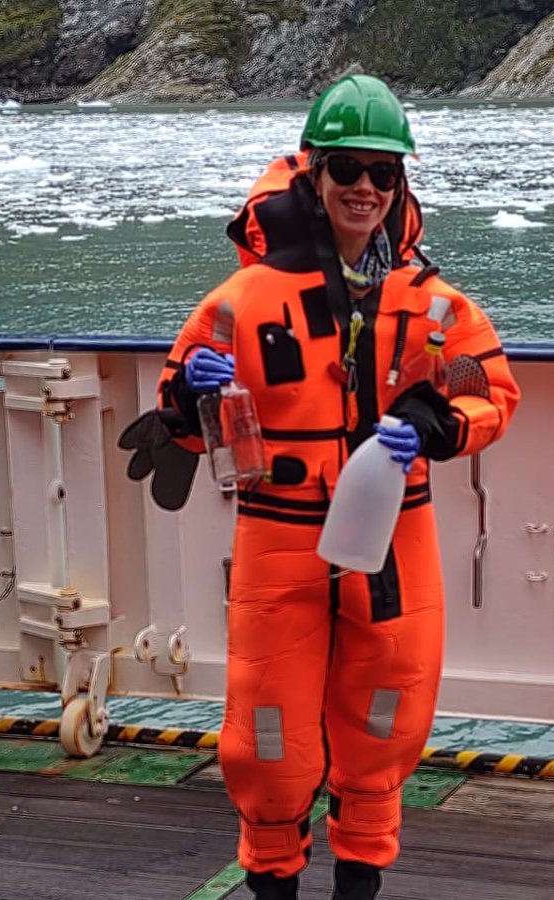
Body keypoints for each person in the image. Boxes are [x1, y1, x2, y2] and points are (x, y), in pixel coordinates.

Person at [124, 74, 519, 900]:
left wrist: (443, 427)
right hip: (278, 537)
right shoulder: (239, 302)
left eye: (383, 172)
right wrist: (188, 391)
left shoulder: (438, 309)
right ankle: (271, 879)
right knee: (266, 737)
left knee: (386, 724)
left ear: (400, 184)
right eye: (348, 169)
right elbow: (186, 423)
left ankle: (358, 889)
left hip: (391, 543)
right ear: (315, 178)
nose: (365, 188)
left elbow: (493, 394)